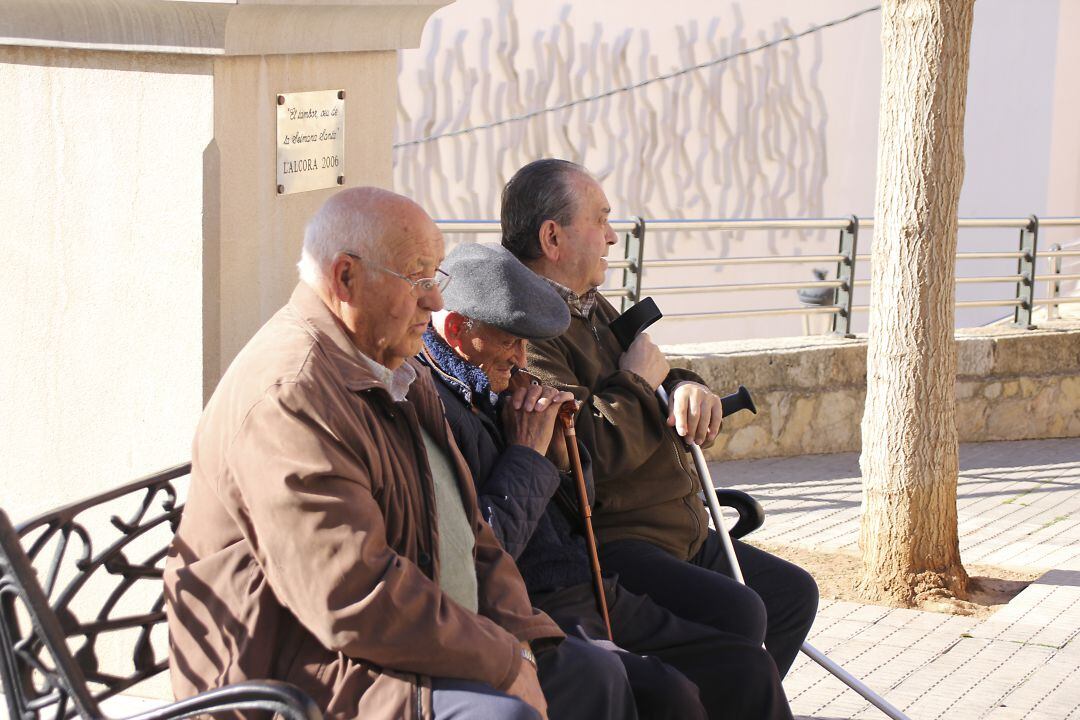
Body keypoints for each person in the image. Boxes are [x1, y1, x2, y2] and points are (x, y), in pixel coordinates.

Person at [165, 187, 577, 720]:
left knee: (605, 680)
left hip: (406, 641)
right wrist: (502, 658)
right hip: (299, 674)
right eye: (417, 278)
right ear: (345, 278)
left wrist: (520, 640)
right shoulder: (291, 394)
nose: (434, 300)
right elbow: (353, 595)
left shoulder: (397, 367)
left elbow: (472, 531)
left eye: (436, 278)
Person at [418, 241, 794, 720]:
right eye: (510, 341)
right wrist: (528, 456)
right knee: (667, 691)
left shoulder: (501, 382)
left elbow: (581, 507)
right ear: (454, 331)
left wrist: (564, 457)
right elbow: (481, 551)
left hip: (588, 581)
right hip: (533, 603)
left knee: (745, 664)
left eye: (525, 342)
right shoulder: (438, 409)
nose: (520, 358)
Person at [500, 158, 820, 681]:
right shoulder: (529, 330)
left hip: (678, 527)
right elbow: (584, 452)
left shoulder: (587, 305)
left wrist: (685, 385)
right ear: (552, 237)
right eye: (600, 220)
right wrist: (641, 383)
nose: (611, 238)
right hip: (618, 539)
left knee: (789, 594)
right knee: (740, 612)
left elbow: (646, 372)